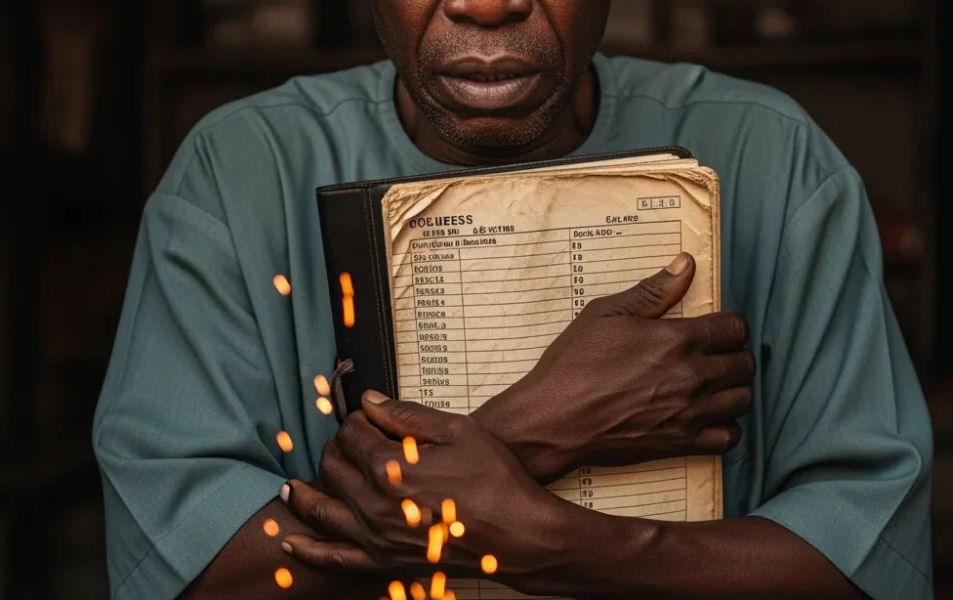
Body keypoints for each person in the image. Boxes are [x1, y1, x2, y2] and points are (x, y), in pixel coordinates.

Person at [92, 1, 934, 599]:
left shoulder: (774, 159)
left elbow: (865, 566)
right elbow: (201, 576)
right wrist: (540, 425)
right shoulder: (239, 172)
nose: (488, 6)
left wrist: (565, 547)